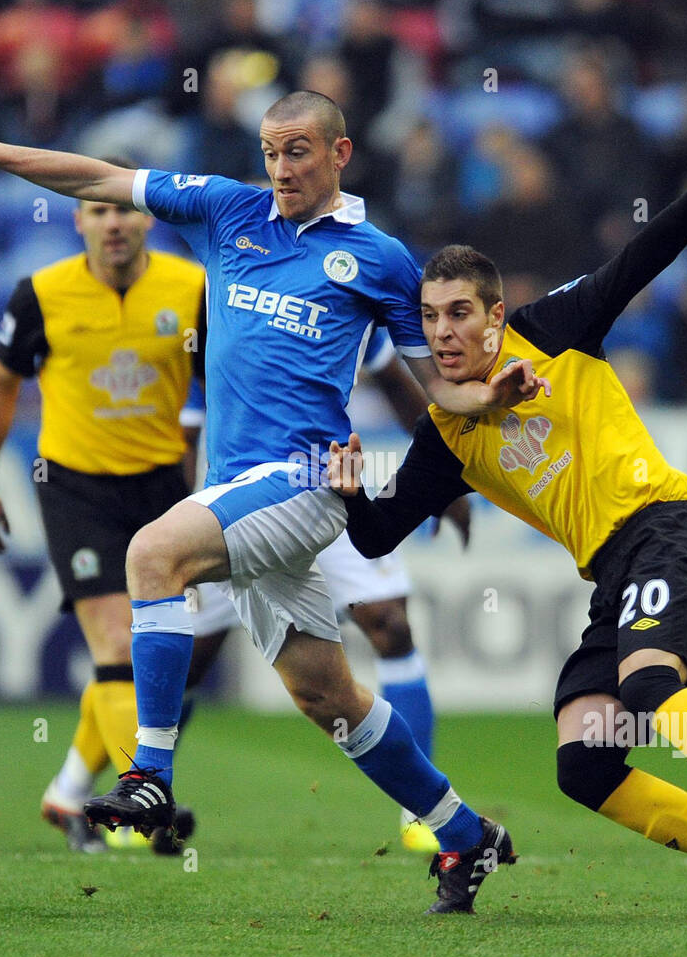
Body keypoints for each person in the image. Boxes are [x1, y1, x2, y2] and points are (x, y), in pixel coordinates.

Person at [0, 70, 546, 912]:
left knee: (152, 553)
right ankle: (465, 835)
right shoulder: (227, 209)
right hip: (237, 484)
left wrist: (487, 396)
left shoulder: (382, 260)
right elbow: (96, 176)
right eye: (271, 151)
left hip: (306, 479)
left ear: (340, 153)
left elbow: (435, 387)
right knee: (330, 696)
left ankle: (150, 777)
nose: (281, 166)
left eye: (299, 151)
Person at [329, 152, 687, 923]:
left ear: (496, 315)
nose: (444, 330)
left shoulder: (552, 330)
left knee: (649, 686)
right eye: (430, 317)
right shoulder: (446, 435)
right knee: (586, 759)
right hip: (614, 573)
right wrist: (349, 492)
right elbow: (372, 536)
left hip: (667, 531)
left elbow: (635, 262)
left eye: (460, 312)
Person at [0, 188, 204, 855]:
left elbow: (227, 381)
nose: (113, 222)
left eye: (123, 209)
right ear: (78, 222)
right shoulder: (40, 295)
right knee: (117, 639)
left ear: (147, 218)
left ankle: (71, 789)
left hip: (164, 485)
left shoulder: (192, 288)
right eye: (98, 211)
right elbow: (1, 386)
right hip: (76, 485)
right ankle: (148, 800)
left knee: (157, 655)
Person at [182, 327, 472, 853]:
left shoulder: (343, 289)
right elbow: (186, 432)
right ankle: (141, 790)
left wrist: (442, 476)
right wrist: (181, 534)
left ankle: (422, 811)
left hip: (325, 487)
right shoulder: (227, 300)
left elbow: (395, 385)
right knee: (189, 658)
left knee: (391, 624)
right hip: (233, 501)